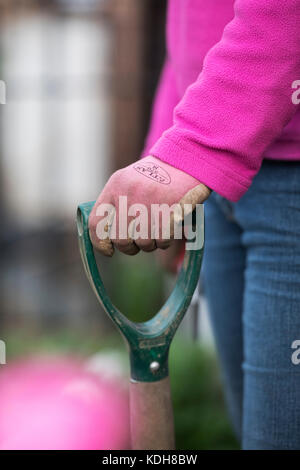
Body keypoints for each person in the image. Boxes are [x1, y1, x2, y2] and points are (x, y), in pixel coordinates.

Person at [88, 0, 300, 450]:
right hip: (220, 181)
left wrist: (196, 149)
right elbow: (194, 28)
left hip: (290, 184)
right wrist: (168, 155)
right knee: (253, 431)